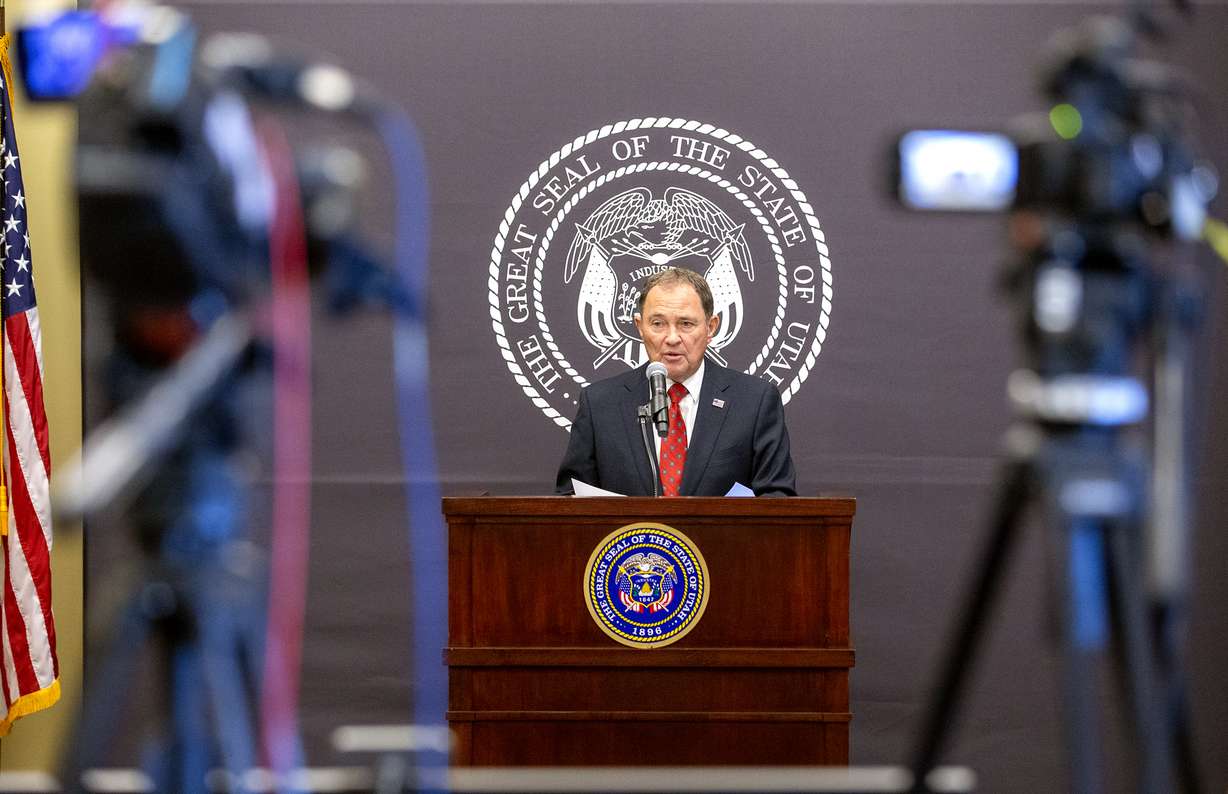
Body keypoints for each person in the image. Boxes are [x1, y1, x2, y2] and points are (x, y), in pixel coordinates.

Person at [555, 268, 797, 496]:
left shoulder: (754, 402)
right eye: (658, 324)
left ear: (711, 327)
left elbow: (777, 499)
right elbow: (572, 499)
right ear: (640, 327)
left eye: (686, 324)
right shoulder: (600, 404)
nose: (671, 338)